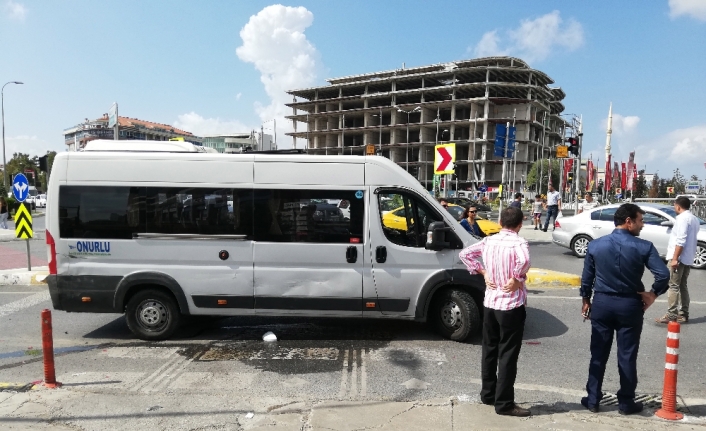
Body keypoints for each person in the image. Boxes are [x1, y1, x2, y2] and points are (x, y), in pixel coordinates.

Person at [579, 203, 669, 415]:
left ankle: (593, 399)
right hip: (630, 305)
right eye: (640, 220)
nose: (642, 225)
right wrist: (653, 293)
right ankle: (626, 402)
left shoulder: (596, 245)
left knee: (598, 354)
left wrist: (585, 300)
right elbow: (663, 275)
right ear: (628, 221)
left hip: (602, 303)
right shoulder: (644, 246)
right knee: (627, 355)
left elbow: (587, 278)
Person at [459, 207, 531, 417]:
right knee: (507, 354)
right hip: (510, 305)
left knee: (489, 349)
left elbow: (465, 254)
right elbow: (525, 260)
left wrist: (483, 272)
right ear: (519, 225)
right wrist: (517, 278)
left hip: (490, 303)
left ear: (500, 222)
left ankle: (488, 393)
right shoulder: (519, 242)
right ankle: (505, 403)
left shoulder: (489, 241)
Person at [656, 196, 700, 324]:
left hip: (679, 258)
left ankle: (671, 314)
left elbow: (681, 240)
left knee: (673, 286)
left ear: (678, 206)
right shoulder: (693, 219)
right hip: (688, 257)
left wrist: (675, 258)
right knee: (682, 285)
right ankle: (683, 313)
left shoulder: (682, 219)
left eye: (674, 205)